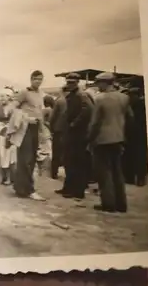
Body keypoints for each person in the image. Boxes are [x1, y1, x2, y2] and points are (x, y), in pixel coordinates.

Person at [88, 72, 133, 213]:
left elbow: (95, 123)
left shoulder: (100, 99)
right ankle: (121, 204)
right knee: (117, 172)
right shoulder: (124, 97)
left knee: (104, 172)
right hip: (118, 138)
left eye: (99, 83)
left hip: (102, 139)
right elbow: (130, 118)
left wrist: (90, 139)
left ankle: (108, 204)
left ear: (105, 83)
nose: (97, 86)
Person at [6, 70, 46, 201]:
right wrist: (26, 119)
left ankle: (21, 188)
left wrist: (42, 129)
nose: (38, 81)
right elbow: (12, 108)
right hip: (25, 129)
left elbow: (40, 112)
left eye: (40, 79)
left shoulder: (40, 94)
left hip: (35, 128)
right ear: (31, 79)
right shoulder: (24, 92)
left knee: (32, 158)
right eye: (36, 79)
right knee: (25, 158)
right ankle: (29, 190)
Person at [58, 72, 93, 200]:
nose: (69, 85)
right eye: (68, 82)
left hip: (78, 134)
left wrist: (75, 123)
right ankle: (68, 187)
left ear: (77, 83)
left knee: (77, 162)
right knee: (69, 161)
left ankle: (77, 191)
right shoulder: (72, 95)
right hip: (71, 132)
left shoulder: (81, 95)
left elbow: (88, 110)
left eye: (72, 82)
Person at [123, 87, 148, 187]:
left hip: (139, 135)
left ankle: (139, 178)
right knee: (131, 156)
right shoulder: (130, 106)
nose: (131, 97)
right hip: (131, 134)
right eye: (130, 95)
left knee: (139, 157)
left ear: (138, 95)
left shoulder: (141, 106)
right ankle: (130, 178)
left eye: (132, 95)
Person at [49, 87, 67, 179]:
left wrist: (51, 128)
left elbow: (53, 116)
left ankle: (54, 173)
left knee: (56, 152)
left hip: (58, 130)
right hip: (68, 130)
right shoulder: (72, 100)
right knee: (67, 152)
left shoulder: (59, 101)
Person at [36, 95, 55, 177]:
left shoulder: (45, 110)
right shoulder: (52, 110)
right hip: (47, 132)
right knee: (48, 150)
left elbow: (41, 120)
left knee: (42, 150)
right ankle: (46, 172)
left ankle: (42, 171)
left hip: (43, 131)